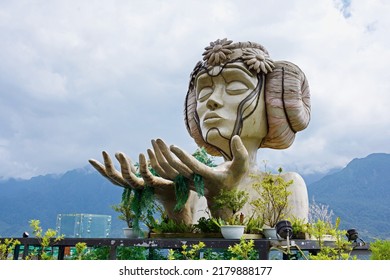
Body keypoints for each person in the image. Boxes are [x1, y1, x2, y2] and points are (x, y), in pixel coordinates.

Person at [89, 38, 311, 225]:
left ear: (275, 103)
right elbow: (189, 250)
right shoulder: (196, 190)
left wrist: (219, 200)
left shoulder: (287, 187)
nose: (212, 101)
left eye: (235, 87)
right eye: (204, 91)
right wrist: (172, 201)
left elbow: (281, 253)